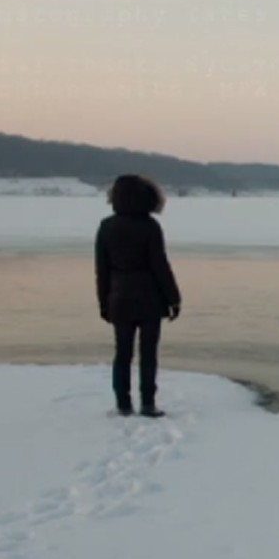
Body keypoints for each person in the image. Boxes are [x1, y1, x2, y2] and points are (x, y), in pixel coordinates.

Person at [96, 174, 181, 417]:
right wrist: (173, 298)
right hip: (150, 298)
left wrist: (104, 302)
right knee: (148, 354)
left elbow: (101, 270)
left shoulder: (107, 226)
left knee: (122, 353)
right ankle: (148, 403)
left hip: (119, 296)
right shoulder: (149, 226)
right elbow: (160, 266)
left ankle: (123, 403)